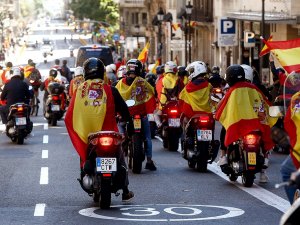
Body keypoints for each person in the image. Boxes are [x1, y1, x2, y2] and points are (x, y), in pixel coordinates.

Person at [64, 57, 134, 201]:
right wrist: (129, 123)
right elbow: (124, 111)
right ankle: (125, 190)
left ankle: (86, 169)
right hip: (111, 134)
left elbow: (70, 115)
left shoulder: (80, 91)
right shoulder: (111, 90)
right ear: (102, 72)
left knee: (85, 155)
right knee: (120, 158)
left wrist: (78, 129)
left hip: (90, 137)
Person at [215, 64, 276, 183]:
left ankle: (223, 156)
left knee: (225, 129)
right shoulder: (255, 88)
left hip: (239, 124)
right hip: (257, 124)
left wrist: (217, 113)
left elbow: (222, 106)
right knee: (265, 134)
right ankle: (264, 164)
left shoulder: (233, 90)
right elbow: (265, 102)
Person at [115, 59, 157, 171]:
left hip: (125, 116)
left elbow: (115, 97)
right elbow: (152, 92)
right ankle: (149, 160)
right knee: (147, 138)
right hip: (141, 115)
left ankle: (120, 152)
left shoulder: (120, 83)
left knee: (119, 131)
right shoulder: (142, 82)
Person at [178, 61, 213, 157]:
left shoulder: (188, 87)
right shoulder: (208, 85)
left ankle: (186, 140)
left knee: (184, 123)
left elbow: (181, 99)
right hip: (207, 114)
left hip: (193, 116)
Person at [155, 61, 184, 129]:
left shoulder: (161, 80)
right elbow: (183, 91)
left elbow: (158, 92)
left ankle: (159, 125)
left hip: (164, 105)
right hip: (177, 104)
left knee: (156, 114)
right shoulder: (179, 80)